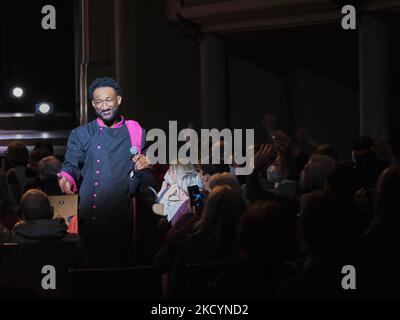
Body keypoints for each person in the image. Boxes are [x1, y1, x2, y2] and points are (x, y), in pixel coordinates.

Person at [57, 77, 155, 267]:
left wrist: (145, 162)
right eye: (99, 102)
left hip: (123, 209)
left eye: (108, 100)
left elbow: (143, 164)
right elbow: (72, 162)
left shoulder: (136, 131)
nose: (104, 106)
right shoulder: (81, 133)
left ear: (118, 100)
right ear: (93, 104)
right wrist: (67, 176)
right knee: (92, 266)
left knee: (122, 266)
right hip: (91, 211)